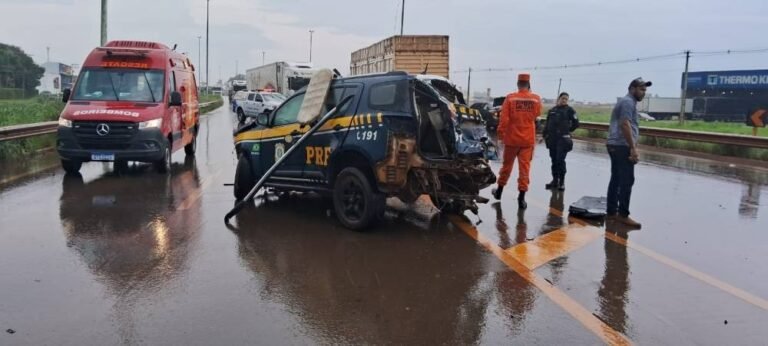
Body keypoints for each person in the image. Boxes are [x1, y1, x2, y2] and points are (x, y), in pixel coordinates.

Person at [492, 73, 542, 209]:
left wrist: (500, 135)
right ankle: (521, 199)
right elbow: (537, 114)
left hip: (511, 139)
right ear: (528, 84)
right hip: (527, 141)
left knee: (506, 167)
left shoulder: (510, 98)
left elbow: (504, 120)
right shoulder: (536, 99)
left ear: (518, 84)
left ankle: (499, 192)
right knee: (524, 169)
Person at [605, 77, 650, 228]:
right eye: (641, 89)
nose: (644, 92)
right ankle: (623, 215)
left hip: (615, 144)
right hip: (621, 145)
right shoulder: (628, 102)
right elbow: (625, 124)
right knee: (626, 180)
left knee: (616, 179)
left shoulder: (627, 102)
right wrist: (632, 147)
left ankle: (612, 212)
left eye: (645, 90)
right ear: (632, 89)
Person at [543, 92, 579, 190]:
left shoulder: (570, 110)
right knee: (554, 160)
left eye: (566, 99)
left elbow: (576, 123)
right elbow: (547, 124)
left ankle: (562, 182)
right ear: (558, 98)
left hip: (563, 140)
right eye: (563, 98)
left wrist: (568, 130)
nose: (564, 100)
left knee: (560, 160)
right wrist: (544, 135)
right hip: (552, 139)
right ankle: (555, 180)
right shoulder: (552, 110)